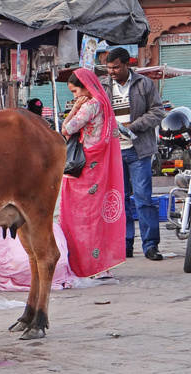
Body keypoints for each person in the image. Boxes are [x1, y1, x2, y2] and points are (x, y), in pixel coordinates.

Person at [58, 69, 126, 277]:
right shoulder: (104, 105)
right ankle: (100, 265)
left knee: (82, 217)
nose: (75, 96)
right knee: (96, 216)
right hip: (98, 166)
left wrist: (74, 109)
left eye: (75, 91)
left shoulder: (89, 106)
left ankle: (86, 264)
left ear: (85, 86)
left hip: (85, 167)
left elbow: (66, 129)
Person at [101, 47, 165, 261]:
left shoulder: (144, 84)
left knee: (143, 199)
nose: (111, 71)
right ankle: (125, 244)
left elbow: (157, 112)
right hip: (113, 152)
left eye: (116, 67)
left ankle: (150, 245)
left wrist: (133, 126)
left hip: (139, 151)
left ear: (127, 65)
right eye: (109, 68)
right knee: (120, 200)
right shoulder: (103, 86)